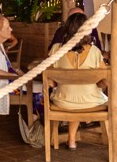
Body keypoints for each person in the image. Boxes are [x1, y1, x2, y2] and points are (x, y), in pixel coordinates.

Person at [46, 11, 107, 149]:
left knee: (74, 94)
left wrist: (58, 82)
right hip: (91, 102)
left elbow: (49, 79)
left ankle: (71, 140)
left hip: (63, 101)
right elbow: (105, 78)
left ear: (66, 29)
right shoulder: (95, 52)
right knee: (84, 94)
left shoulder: (56, 49)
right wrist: (96, 83)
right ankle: (74, 138)